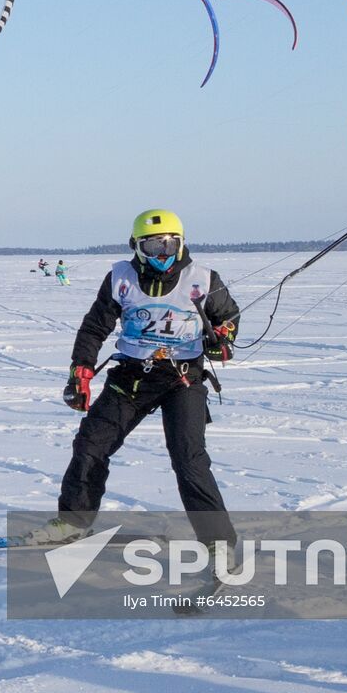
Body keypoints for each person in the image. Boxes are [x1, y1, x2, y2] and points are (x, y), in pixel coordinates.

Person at [32, 210, 240, 554]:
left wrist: (222, 339)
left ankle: (220, 545)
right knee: (90, 445)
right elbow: (95, 327)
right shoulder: (120, 277)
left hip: (182, 378)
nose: (163, 253)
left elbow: (228, 318)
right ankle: (72, 523)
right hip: (131, 376)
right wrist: (80, 371)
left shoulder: (203, 278)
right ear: (137, 245)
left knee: (189, 459)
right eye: (155, 244)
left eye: (171, 244)